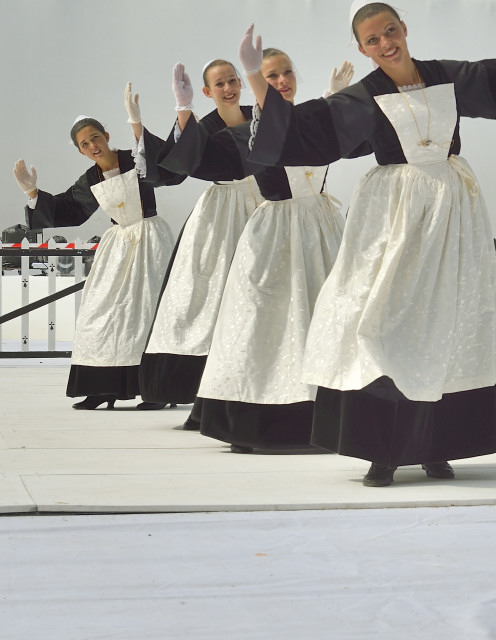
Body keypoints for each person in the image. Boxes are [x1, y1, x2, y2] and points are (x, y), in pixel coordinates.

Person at [242, 0, 496, 485]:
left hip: (451, 213)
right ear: (360, 48)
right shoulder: (363, 97)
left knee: (446, 320)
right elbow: (307, 133)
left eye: (389, 31)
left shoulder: (447, 76)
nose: (384, 44)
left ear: (403, 28)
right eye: (372, 40)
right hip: (393, 216)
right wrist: (255, 79)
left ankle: (438, 444)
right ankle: (383, 449)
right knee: (382, 317)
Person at [161, 51, 349, 453]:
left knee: (325, 321)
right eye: (270, 76)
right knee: (266, 325)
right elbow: (198, 161)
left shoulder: (313, 117)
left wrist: (336, 103)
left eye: (286, 73)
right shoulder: (247, 133)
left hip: (323, 231)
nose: (281, 81)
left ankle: (328, 418)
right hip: (276, 235)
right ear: (256, 82)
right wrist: (184, 110)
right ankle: (260, 419)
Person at [12, 91, 178, 409]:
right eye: (85, 144)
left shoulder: (136, 159)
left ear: (106, 135)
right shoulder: (91, 178)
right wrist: (33, 192)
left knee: (146, 312)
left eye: (95, 137)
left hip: (150, 241)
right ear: (81, 151)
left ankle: (158, 390)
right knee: (100, 312)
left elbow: (169, 172)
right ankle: (102, 387)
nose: (92, 146)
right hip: (118, 245)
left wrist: (139, 123)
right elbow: (70, 209)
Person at [139, 60, 263, 423]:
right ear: (207, 91)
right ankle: (202, 401)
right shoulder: (204, 127)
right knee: (209, 303)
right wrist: (183, 110)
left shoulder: (259, 116)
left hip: (263, 206)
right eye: (219, 84)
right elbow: (173, 171)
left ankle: (253, 392)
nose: (228, 88)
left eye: (232, 80)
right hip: (222, 215)